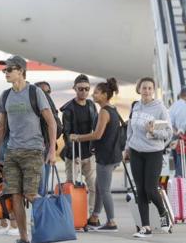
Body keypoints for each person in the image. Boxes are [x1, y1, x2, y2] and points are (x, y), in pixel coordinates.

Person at [0, 55, 58, 243]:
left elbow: (51, 122)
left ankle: (47, 226)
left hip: (34, 151)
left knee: (31, 193)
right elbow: (1, 127)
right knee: (15, 195)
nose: (5, 73)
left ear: (20, 71)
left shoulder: (35, 93)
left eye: (9, 70)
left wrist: (52, 150)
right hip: (12, 152)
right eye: (4, 70)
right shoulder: (5, 95)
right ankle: (23, 237)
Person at [70, 78, 122, 232]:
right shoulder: (112, 109)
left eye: (97, 92)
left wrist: (77, 137)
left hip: (106, 156)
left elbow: (97, 135)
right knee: (99, 187)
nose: (93, 95)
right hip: (111, 154)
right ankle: (94, 218)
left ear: (105, 95)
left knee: (104, 189)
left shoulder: (105, 112)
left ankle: (112, 222)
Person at [124, 77, 173, 238]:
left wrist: (153, 132)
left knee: (150, 189)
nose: (146, 91)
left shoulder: (160, 109)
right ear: (139, 89)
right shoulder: (136, 106)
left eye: (150, 88)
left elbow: (168, 134)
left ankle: (162, 212)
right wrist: (127, 147)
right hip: (136, 152)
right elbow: (130, 129)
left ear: (154, 90)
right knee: (140, 191)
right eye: (144, 88)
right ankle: (145, 227)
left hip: (153, 153)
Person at [61, 74, 99, 227]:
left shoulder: (91, 105)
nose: (83, 92)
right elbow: (67, 134)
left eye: (86, 89)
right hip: (74, 154)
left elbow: (96, 127)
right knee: (71, 186)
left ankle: (90, 216)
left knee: (93, 187)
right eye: (80, 89)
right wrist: (72, 154)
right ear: (74, 89)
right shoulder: (68, 109)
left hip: (89, 153)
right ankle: (72, 216)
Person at [34, 81, 55, 196]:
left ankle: (41, 212)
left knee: (42, 187)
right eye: (42, 92)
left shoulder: (50, 109)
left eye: (48, 92)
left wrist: (51, 147)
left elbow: (58, 127)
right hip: (33, 149)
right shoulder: (32, 107)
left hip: (45, 149)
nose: (45, 95)